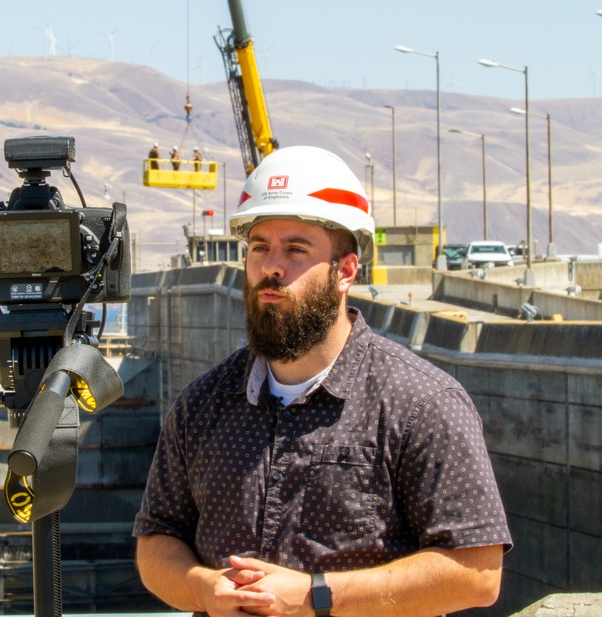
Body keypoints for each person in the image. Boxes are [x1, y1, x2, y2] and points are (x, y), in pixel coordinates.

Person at [133, 145, 511, 617]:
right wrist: (203, 588)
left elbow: (475, 573)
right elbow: (156, 541)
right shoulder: (202, 404)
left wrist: (316, 596)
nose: (272, 267)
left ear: (345, 271)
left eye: (296, 250)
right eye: (259, 248)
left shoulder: (421, 404)